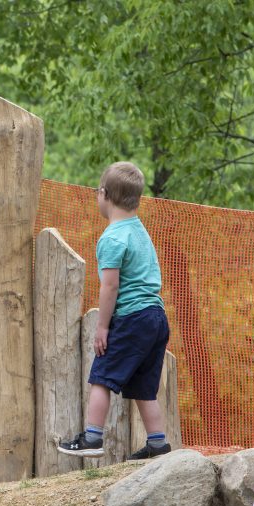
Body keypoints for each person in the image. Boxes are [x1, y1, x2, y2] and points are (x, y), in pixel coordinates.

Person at [58, 161, 171, 460]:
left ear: (104, 195)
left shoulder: (112, 238)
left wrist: (103, 327)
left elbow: (110, 287)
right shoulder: (139, 231)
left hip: (132, 317)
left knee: (102, 376)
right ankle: (158, 444)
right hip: (156, 317)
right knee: (144, 386)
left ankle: (92, 437)